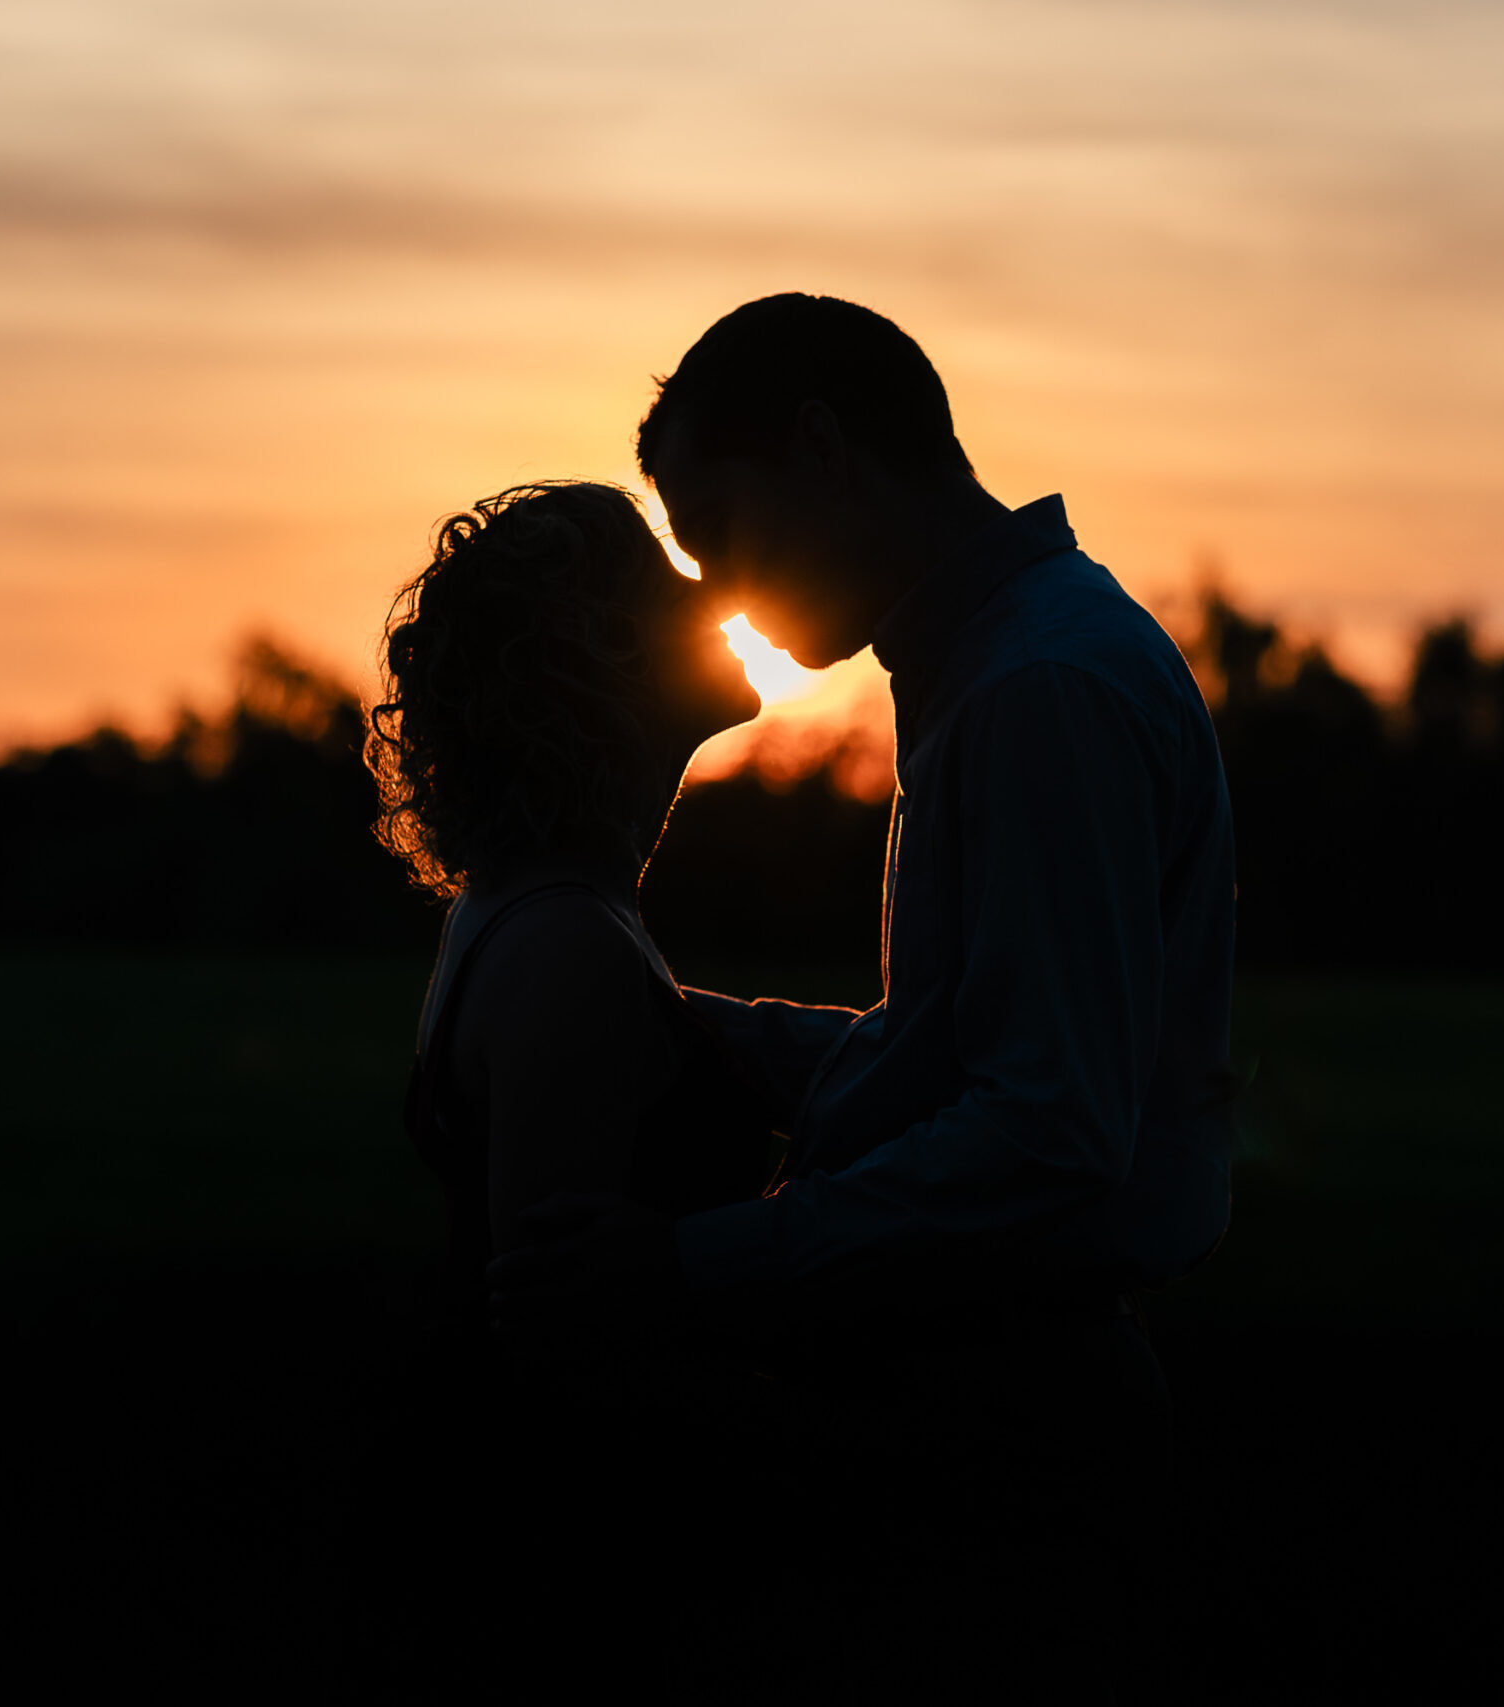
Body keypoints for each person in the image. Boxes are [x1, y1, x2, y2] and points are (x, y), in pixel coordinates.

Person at [487, 292, 1241, 1689]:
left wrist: (689, 1262)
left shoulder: (1038, 689)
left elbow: (1047, 1132)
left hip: (1017, 1419)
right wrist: (674, 1018)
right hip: (1008, 1395)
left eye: (718, 525)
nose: (714, 587)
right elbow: (961, 1053)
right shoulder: (998, 662)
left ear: (825, 451)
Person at [350, 479, 775, 1696]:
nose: (719, 589)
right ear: (604, 646)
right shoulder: (563, 947)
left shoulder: (542, 914)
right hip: (565, 1597)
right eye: (666, 576)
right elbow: (570, 1354)